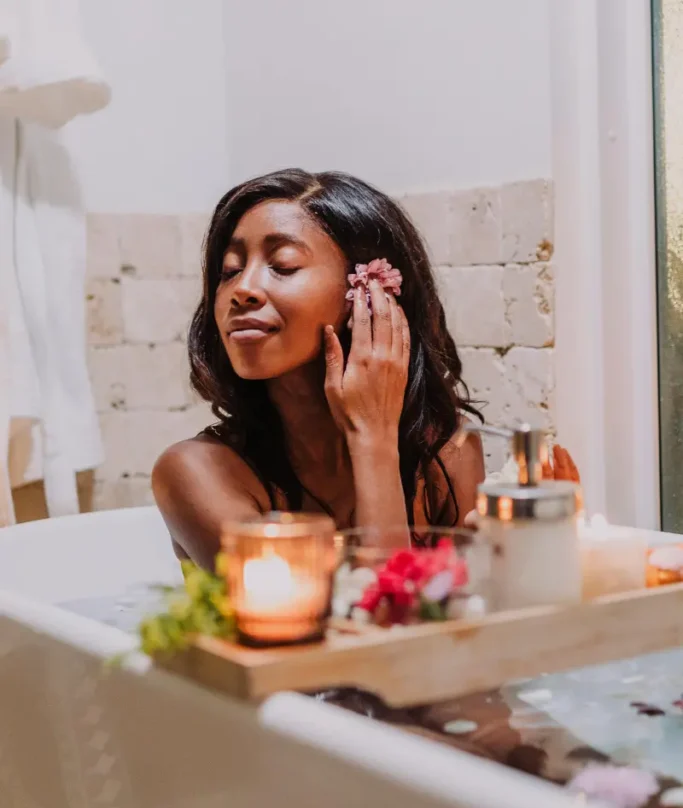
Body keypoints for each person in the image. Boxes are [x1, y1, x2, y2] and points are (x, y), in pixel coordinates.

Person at [153, 169, 578, 570]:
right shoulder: (195, 473)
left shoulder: (445, 453)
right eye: (229, 271)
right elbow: (364, 632)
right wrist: (372, 438)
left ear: (371, 295)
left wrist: (498, 562)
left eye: (282, 266)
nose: (241, 289)